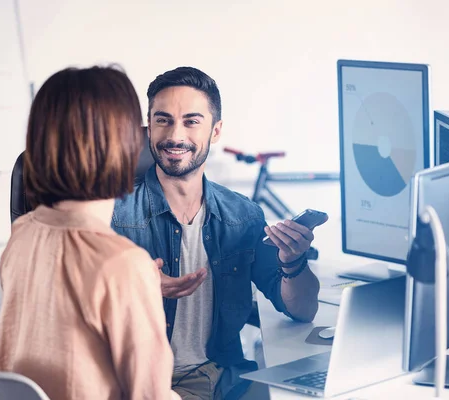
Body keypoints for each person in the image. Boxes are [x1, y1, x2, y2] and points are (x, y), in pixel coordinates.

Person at [112, 66, 322, 399]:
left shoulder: (243, 216)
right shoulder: (113, 214)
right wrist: (135, 288)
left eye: (191, 121)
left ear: (216, 131)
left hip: (215, 377)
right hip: (136, 383)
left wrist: (293, 261)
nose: (175, 136)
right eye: (162, 120)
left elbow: (302, 309)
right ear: (148, 127)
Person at [0, 66, 180, 400]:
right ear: (122, 147)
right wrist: (132, 282)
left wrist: (135, 285)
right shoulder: (122, 264)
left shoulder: (22, 234)